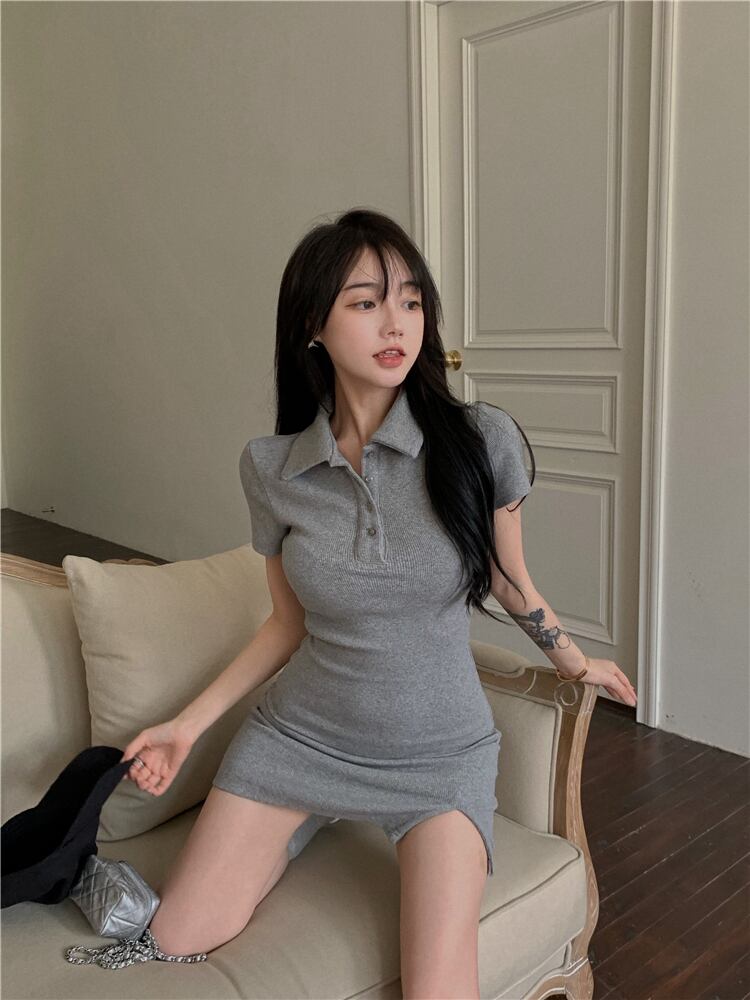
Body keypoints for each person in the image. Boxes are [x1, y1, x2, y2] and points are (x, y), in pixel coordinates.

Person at [71, 208, 636, 992]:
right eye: (366, 302)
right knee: (176, 935)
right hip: (301, 738)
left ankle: (305, 826)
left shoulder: (481, 440)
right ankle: (296, 821)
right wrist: (186, 727)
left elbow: (510, 580)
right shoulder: (272, 468)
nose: (396, 323)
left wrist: (575, 663)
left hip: (438, 756)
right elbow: (286, 624)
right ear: (314, 325)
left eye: (410, 300)